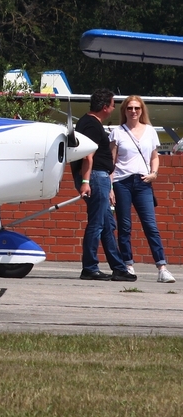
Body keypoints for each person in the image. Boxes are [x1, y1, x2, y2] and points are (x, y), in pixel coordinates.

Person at [110, 96, 176, 283]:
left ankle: (162, 267)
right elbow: (112, 163)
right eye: (130, 108)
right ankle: (128, 265)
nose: (133, 111)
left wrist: (154, 173)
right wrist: (110, 187)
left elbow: (155, 156)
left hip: (143, 182)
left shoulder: (150, 131)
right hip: (122, 182)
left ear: (142, 110)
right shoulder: (117, 132)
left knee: (150, 225)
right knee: (124, 226)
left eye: (137, 108)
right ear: (124, 110)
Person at [73, 89, 136, 281]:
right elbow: (87, 155)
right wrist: (85, 181)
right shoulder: (91, 124)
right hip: (94, 177)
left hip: (99, 178)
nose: (114, 108)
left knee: (108, 224)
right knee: (97, 223)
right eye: (112, 104)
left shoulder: (89, 122)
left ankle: (118, 267)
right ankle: (89, 267)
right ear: (104, 107)